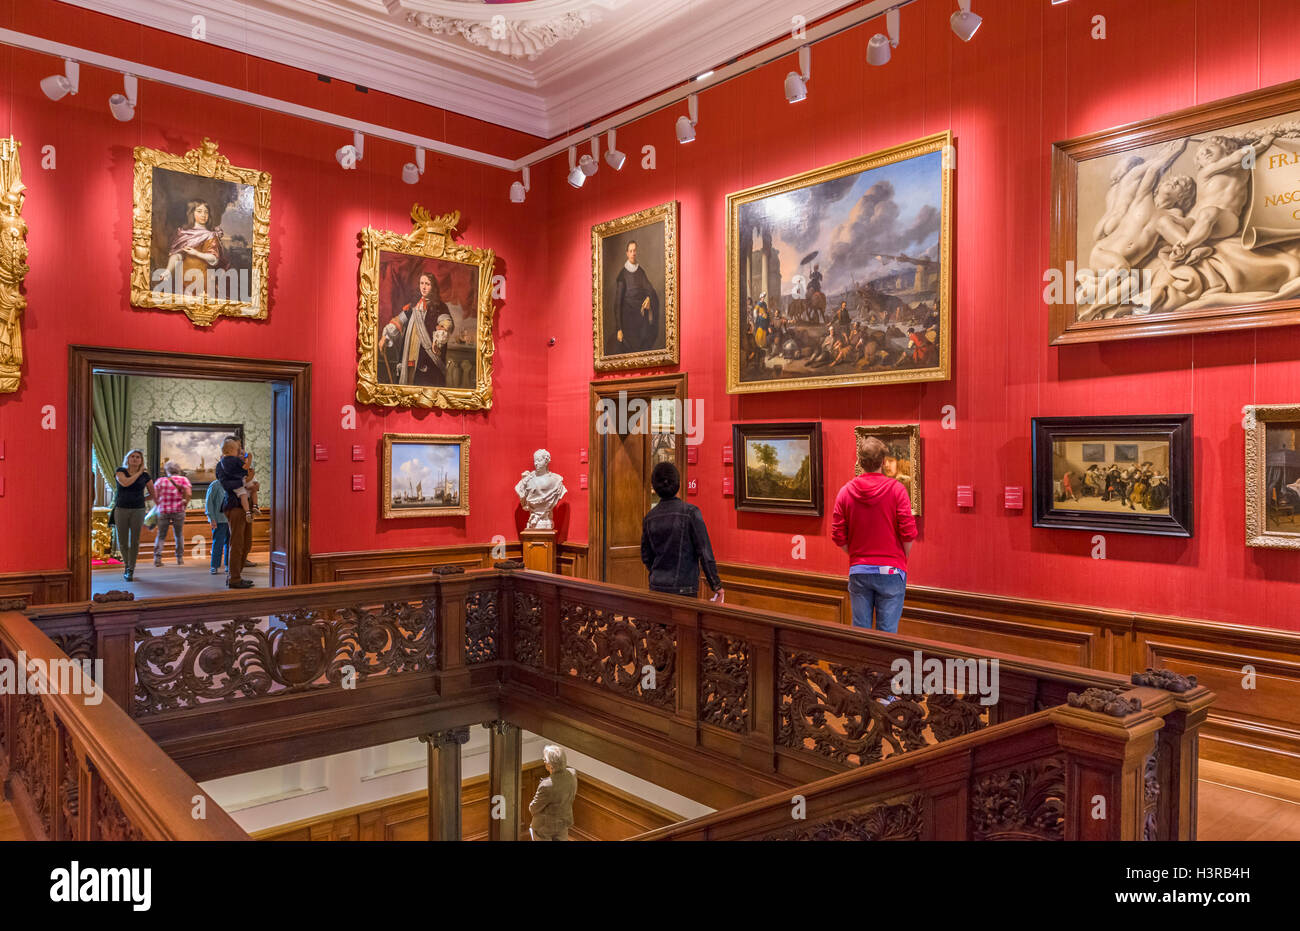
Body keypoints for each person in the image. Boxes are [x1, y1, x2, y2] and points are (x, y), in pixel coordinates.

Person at [831, 434, 918, 633]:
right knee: (886, 634)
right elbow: (908, 532)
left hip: (859, 570)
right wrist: (900, 558)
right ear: (883, 462)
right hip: (891, 570)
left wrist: (856, 555)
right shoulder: (897, 490)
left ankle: (862, 665)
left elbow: (838, 535)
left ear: (859, 461)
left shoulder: (845, 492)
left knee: (860, 633)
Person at [640, 461, 724, 601]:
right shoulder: (691, 513)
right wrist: (716, 585)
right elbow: (704, 552)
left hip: (657, 586)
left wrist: (658, 573)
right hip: (684, 587)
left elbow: (646, 556)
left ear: (654, 486)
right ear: (677, 484)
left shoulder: (649, 517)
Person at [380, 271, 452, 386]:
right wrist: (385, 336)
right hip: (409, 355)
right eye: (421, 283)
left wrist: (437, 341)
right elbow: (399, 320)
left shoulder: (440, 307)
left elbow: (446, 323)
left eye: (427, 284)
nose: (423, 287)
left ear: (433, 287)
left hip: (427, 358)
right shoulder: (413, 305)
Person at [215, 436, 258, 589]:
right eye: (237, 447)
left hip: (246, 507)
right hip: (234, 506)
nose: (240, 451)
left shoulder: (239, 464)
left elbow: (248, 480)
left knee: (246, 544)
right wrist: (246, 480)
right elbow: (227, 485)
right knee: (237, 543)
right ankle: (234, 578)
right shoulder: (221, 465)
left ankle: (236, 576)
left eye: (240, 448)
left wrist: (252, 484)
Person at [112, 449, 155, 582]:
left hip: (138, 510)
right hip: (121, 509)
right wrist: (139, 473)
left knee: (134, 540)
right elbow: (125, 483)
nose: (135, 459)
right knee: (122, 540)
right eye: (132, 456)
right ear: (128, 459)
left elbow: (153, 494)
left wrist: (142, 499)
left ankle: (131, 568)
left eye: (138, 457)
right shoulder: (120, 471)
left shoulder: (145, 476)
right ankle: (126, 564)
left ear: (141, 460)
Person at [611, 240, 660, 354]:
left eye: (634, 251)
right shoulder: (622, 275)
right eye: (631, 251)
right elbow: (617, 303)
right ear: (627, 253)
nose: (633, 253)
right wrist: (619, 329)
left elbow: (650, 290)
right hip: (628, 322)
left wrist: (649, 298)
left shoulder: (640, 272)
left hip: (641, 320)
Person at [528, 745, 577, 841]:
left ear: (550, 765)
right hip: (563, 822)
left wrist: (530, 807)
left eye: (544, 760)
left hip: (545, 827)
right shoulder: (572, 773)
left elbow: (534, 808)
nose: (543, 761)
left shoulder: (547, 785)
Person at [152, 461, 192, 567]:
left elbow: (154, 495)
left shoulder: (160, 481)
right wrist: (185, 504)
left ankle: (157, 559)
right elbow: (188, 493)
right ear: (178, 470)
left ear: (167, 470)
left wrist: (158, 505)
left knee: (161, 535)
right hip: (178, 510)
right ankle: (180, 559)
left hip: (163, 511)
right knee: (178, 534)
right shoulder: (184, 480)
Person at [204, 474, 230, 576]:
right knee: (218, 543)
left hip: (231, 519)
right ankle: (214, 566)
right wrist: (211, 518)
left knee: (230, 543)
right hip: (219, 520)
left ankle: (228, 565)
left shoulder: (231, 485)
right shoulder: (215, 485)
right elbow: (209, 503)